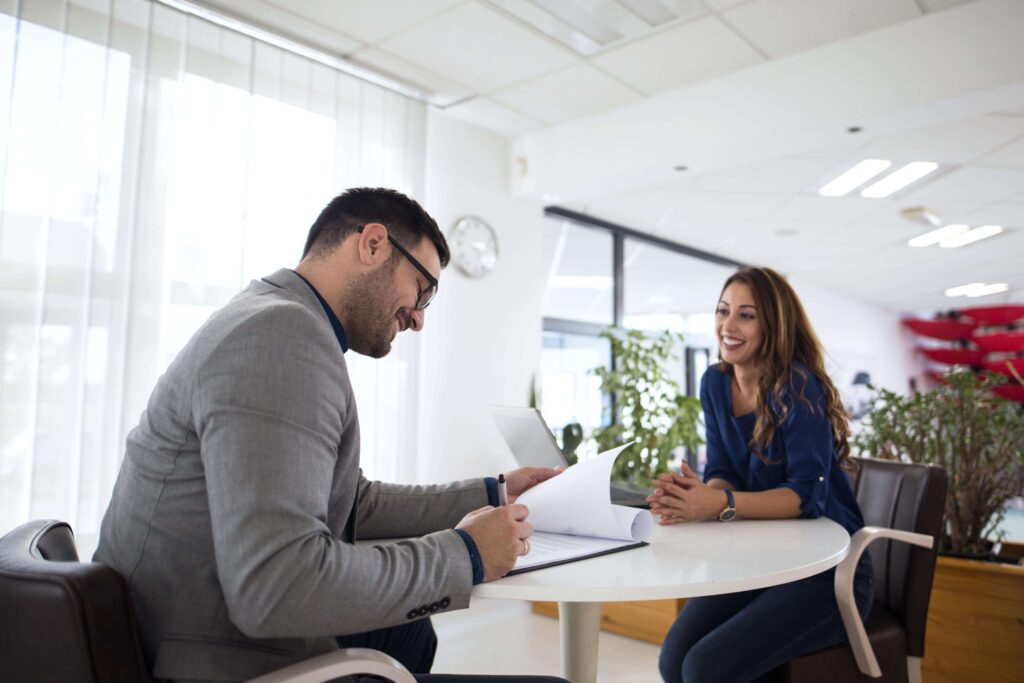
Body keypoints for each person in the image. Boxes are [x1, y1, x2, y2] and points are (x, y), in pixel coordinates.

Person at [94, 187, 567, 683]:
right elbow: (277, 586)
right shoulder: (280, 336)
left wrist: (495, 492)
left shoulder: (271, 314)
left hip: (177, 622)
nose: (420, 318)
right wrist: (466, 553)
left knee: (411, 634)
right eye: (422, 289)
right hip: (208, 653)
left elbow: (351, 500)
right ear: (373, 245)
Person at [649, 266, 873, 683]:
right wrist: (698, 496)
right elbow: (722, 470)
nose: (727, 326)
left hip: (829, 572)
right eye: (722, 310)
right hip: (762, 560)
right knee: (673, 658)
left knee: (705, 668)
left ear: (773, 325)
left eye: (746, 315)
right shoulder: (715, 382)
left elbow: (807, 497)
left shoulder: (799, 387)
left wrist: (719, 503)